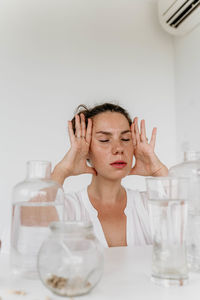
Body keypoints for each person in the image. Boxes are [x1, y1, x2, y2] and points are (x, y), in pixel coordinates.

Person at [51, 103, 168, 247]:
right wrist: (61, 171)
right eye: (104, 140)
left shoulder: (148, 205)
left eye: (125, 139)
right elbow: (30, 230)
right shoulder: (69, 207)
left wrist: (159, 171)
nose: (118, 148)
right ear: (86, 149)